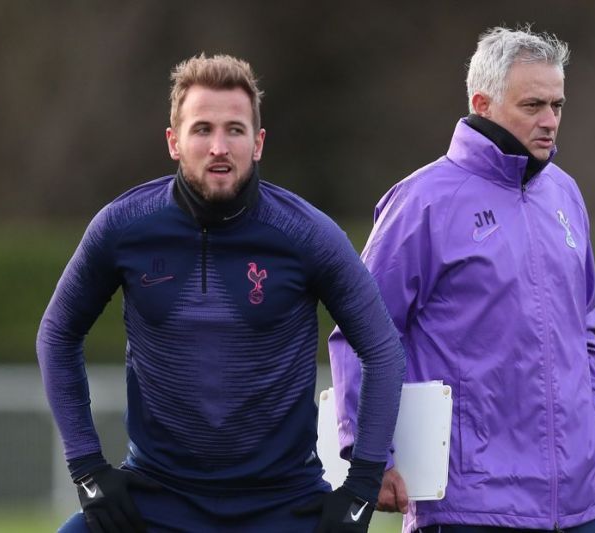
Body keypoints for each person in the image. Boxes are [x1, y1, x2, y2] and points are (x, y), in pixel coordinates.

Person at [37, 53, 406, 533]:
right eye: (201, 129)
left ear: (258, 144)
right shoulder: (123, 226)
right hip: (155, 501)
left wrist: (360, 488)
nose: (218, 146)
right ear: (174, 141)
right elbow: (57, 334)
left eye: (234, 130)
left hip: (284, 506)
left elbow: (382, 350)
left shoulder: (307, 233)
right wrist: (87, 469)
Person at [329, 26, 595, 533]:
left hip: (576, 502)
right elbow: (362, 330)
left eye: (558, 105)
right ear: (483, 102)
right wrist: (369, 452)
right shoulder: (421, 202)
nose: (550, 121)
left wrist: (593, 414)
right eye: (533, 106)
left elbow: (584, 320)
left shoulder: (566, 195)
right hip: (469, 505)